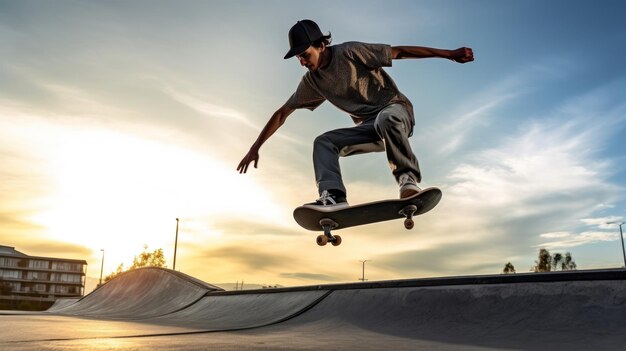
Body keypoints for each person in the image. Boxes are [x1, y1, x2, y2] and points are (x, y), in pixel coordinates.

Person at [237, 19, 473, 209]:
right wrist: (255, 147)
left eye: (305, 55)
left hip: (396, 112)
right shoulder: (312, 81)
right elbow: (282, 113)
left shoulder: (350, 52)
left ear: (321, 45)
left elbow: (399, 52)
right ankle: (333, 196)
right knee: (324, 142)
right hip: (370, 130)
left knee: (386, 117)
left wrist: (449, 54)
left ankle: (407, 180)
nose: (302, 62)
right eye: (299, 58)